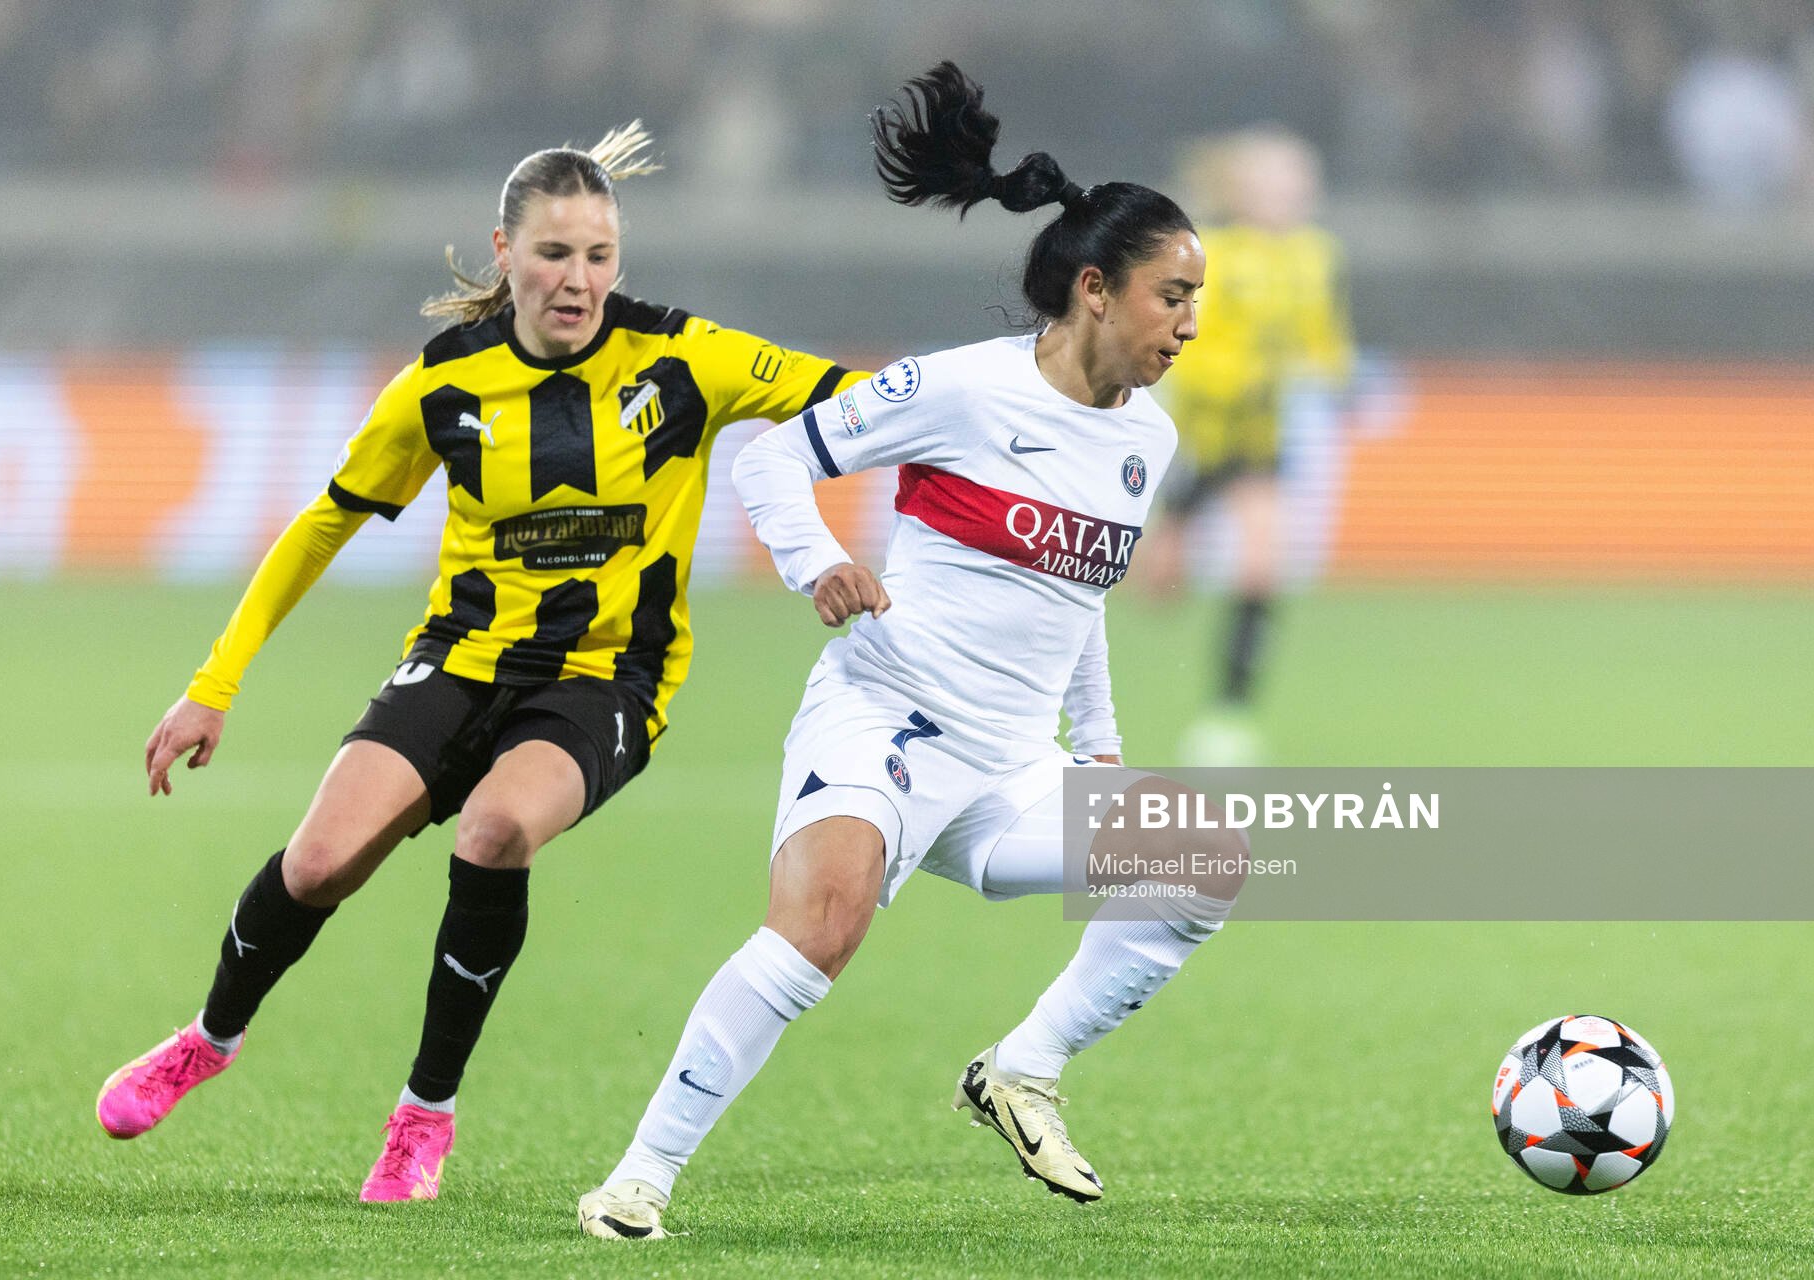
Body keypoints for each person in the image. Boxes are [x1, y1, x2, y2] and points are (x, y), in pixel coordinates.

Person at [95, 123, 865, 1202]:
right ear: (503, 249)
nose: (579, 279)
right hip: (458, 659)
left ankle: (425, 1113)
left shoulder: (688, 358)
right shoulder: (443, 384)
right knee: (317, 864)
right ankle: (207, 1038)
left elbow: (872, 396)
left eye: (599, 256)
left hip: (606, 679)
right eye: (555, 254)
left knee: (496, 830)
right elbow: (323, 524)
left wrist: (1033, 399)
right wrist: (213, 684)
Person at [578, 64, 1240, 1241]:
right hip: (888, 718)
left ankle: (1020, 1070)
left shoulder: (1148, 437)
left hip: (1009, 765)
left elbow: (1076, 594)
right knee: (823, 926)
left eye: (1197, 299)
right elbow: (769, 456)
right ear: (1094, 289)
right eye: (1171, 296)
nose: (1189, 323)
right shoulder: (965, 390)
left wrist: (1101, 748)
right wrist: (815, 559)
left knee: (1205, 861)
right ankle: (640, 1175)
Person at [1143, 127, 1356, 766]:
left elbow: (1322, 335)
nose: (1293, 195)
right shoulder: (1212, 256)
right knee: (1158, 587)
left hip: (1260, 437)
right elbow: (1186, 339)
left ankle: (1228, 717)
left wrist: (1335, 374)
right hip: (1200, 435)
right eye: (1279, 183)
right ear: (1243, 191)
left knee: (1262, 565)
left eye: (1300, 183)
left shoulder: (1315, 255)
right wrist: (1230, 377)